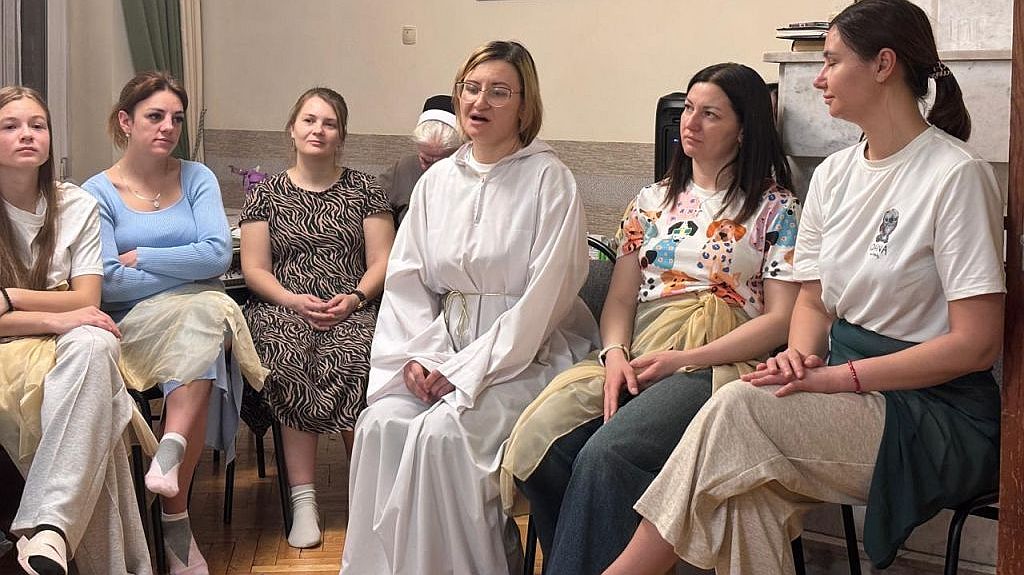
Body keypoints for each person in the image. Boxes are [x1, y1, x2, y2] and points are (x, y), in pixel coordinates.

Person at [605, 1, 1004, 573]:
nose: (818, 79)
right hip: (846, 386)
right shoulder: (834, 176)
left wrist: (838, 378)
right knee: (744, 494)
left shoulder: (956, 175)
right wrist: (797, 356)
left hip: (934, 413)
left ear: (883, 64)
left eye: (832, 61)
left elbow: (977, 344)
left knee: (738, 408)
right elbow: (813, 300)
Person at [501, 62, 800, 574]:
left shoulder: (776, 207)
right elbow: (620, 300)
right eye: (689, 108)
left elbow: (781, 320)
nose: (691, 122)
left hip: (718, 363)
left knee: (608, 455)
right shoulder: (650, 201)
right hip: (642, 348)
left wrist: (684, 359)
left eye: (710, 114)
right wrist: (615, 355)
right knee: (541, 445)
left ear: (743, 128)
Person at [342, 40, 598, 575]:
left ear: (525, 106)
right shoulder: (437, 182)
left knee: (443, 437)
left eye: (499, 92)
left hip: (528, 358)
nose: (479, 101)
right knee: (381, 426)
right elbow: (409, 282)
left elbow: (546, 299)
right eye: (471, 88)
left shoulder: (549, 179)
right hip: (442, 346)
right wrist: (417, 356)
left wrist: (466, 369)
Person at [83, 71, 267, 575]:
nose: (168, 127)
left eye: (177, 119)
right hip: (132, 326)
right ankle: (176, 520)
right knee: (208, 321)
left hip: (197, 313)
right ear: (126, 121)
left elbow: (217, 257)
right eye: (155, 116)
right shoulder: (96, 192)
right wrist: (181, 266)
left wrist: (142, 255)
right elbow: (108, 283)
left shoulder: (197, 177)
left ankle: (171, 451)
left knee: (206, 317)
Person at [0, 86, 152, 575]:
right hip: (14, 347)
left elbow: (88, 300)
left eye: (37, 125)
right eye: (10, 126)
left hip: (61, 339)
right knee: (100, 407)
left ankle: (49, 529)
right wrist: (55, 317)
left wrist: (10, 297)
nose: (27, 134)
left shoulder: (76, 204)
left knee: (96, 340)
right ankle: (66, 538)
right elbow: (73, 306)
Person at [239, 86, 395, 549]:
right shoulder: (264, 194)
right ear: (292, 129)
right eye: (309, 120)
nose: (318, 130)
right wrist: (292, 301)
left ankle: (367, 496)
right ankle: (303, 500)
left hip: (353, 304)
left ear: (341, 135)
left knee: (356, 356)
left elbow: (383, 261)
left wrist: (355, 298)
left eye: (329, 123)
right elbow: (254, 269)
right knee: (287, 358)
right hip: (282, 307)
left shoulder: (366, 190)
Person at [378, 94, 460, 226]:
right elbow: (371, 202)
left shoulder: (470, 177)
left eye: (440, 162)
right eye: (426, 160)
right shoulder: (404, 168)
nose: (431, 169)